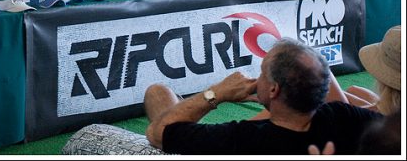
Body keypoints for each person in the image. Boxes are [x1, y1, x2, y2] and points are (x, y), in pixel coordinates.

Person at [144, 38, 382, 155]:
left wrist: (216, 93)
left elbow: (157, 132)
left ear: (273, 90)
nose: (258, 78)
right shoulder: (344, 116)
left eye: (261, 73)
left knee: (158, 94)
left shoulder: (241, 139)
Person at [326, 25, 400, 115]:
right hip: (390, 110)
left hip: (383, 118)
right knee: (353, 90)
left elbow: (343, 113)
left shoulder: (380, 122)